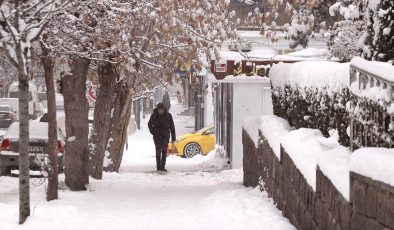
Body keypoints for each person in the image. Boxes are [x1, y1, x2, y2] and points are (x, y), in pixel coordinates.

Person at [148, 103, 176, 172]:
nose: (160, 111)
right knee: (158, 152)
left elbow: (172, 127)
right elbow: (149, 124)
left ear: (164, 109)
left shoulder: (168, 116)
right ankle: (158, 167)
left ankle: (162, 167)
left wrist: (173, 138)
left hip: (165, 136)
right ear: (157, 109)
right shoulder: (154, 116)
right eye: (159, 110)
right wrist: (153, 132)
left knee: (164, 151)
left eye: (161, 110)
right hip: (157, 136)